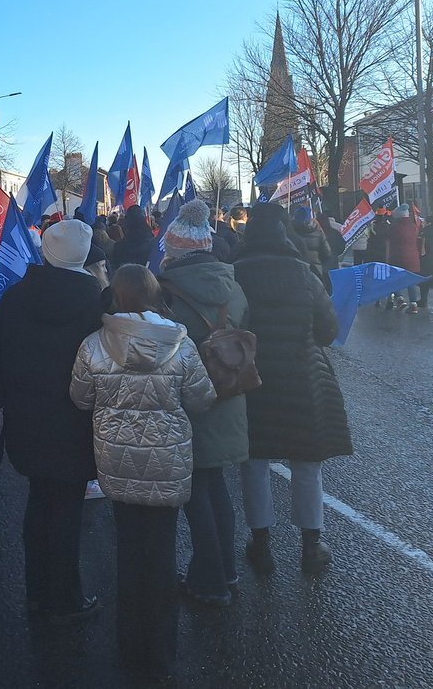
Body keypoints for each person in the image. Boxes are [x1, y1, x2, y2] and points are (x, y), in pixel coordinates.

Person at [69, 264, 215, 683]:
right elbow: (202, 399)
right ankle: (161, 654)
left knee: (129, 553)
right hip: (167, 463)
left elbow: (80, 398)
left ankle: (130, 649)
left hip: (117, 462)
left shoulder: (94, 344)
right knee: (162, 555)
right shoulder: (180, 343)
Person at [0, 220, 104, 622]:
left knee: (39, 503)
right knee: (67, 510)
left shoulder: (15, 297)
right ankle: (66, 597)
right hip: (77, 422)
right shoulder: (98, 303)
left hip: (27, 419)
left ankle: (37, 591)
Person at [232, 203, 352, 575]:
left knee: (254, 462)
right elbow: (328, 332)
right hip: (302, 378)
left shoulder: (235, 273)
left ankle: (261, 544)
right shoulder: (304, 273)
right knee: (306, 462)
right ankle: (311, 547)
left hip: (252, 380)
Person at [157, 200, 250, 606]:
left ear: (174, 249)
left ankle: (209, 582)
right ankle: (226, 571)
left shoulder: (166, 292)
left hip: (187, 401)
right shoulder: (234, 286)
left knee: (197, 496)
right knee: (216, 488)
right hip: (228, 394)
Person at [387, 206, 422, 312]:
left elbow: (387, 236)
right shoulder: (413, 227)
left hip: (398, 257)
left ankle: (400, 299)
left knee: (395, 278)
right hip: (412, 258)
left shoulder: (395, 227)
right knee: (411, 281)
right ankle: (413, 304)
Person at [291, 207, 333, 289]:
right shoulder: (318, 233)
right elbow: (327, 253)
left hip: (296, 271)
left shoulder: (290, 234)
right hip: (315, 271)